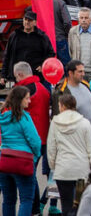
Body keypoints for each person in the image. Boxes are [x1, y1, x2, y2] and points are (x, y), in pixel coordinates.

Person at [48, 94, 91, 215]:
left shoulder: (55, 124)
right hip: (82, 170)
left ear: (63, 106)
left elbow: (51, 148)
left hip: (63, 170)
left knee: (66, 205)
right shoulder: (85, 123)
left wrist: (53, 166)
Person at [0, 86, 42, 216]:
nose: (29, 101)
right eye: (27, 98)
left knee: (8, 200)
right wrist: (35, 155)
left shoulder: (3, 117)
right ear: (20, 100)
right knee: (26, 199)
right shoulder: (23, 118)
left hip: (5, 160)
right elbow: (35, 141)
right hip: (23, 161)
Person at [51, 60, 91, 146]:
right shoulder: (61, 92)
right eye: (80, 71)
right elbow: (58, 118)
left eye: (83, 71)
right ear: (70, 73)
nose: (83, 74)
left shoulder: (85, 85)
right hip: (78, 141)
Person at [1, 9, 56, 87]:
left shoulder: (41, 37)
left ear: (35, 22)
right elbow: (7, 56)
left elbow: (51, 53)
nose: (27, 22)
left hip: (36, 77)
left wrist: (43, 65)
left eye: (30, 20)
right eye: (25, 19)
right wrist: (3, 75)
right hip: (18, 77)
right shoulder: (15, 35)